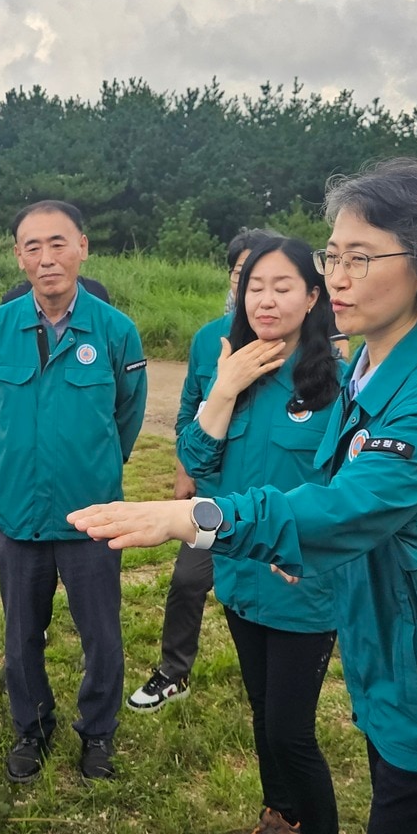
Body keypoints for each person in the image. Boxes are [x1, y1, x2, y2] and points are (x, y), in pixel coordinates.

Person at [70, 160, 417, 834]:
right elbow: (326, 492)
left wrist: (190, 515)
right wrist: (301, 545)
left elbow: (343, 506)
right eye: (334, 257)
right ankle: (288, 821)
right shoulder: (370, 373)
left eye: (360, 258)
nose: (339, 277)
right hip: (394, 647)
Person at [175, 236, 344, 834]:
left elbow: (344, 491)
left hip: (301, 579)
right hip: (241, 574)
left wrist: (310, 544)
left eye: (282, 286)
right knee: (262, 711)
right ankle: (281, 817)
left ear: (312, 296)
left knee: (291, 731)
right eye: (254, 286)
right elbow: (196, 463)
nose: (266, 299)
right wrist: (222, 389)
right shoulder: (234, 366)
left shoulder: (336, 380)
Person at [0, 200, 148, 782]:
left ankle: (97, 734)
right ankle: (33, 726)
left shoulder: (116, 331)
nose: (46, 258)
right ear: (18, 256)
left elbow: (127, 417)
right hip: (17, 512)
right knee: (21, 634)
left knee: (101, 632)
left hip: (91, 513)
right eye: (32, 246)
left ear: (82, 247)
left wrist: (92, 467)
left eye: (58, 243)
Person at [128, 227, 279, 712]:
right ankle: (174, 671)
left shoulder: (303, 345)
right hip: (214, 496)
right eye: (244, 276)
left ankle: (277, 683)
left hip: (277, 498)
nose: (253, 288)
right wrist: (183, 472)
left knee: (275, 589)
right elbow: (188, 409)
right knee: (190, 581)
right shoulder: (205, 340)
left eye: (267, 277)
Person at [1, 275, 110, 305]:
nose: (47, 259)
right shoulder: (12, 302)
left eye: (57, 246)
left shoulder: (96, 292)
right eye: (34, 248)